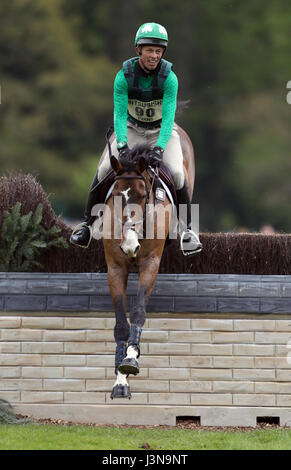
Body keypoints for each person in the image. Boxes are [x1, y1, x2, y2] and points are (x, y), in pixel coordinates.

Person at [70, 22, 202, 255]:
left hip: (160, 131)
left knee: (179, 174)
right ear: (138, 50)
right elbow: (119, 115)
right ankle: (87, 226)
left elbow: (169, 118)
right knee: (102, 170)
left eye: (158, 51)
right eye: (149, 50)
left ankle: (188, 230)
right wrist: (121, 144)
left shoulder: (169, 78)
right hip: (131, 128)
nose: (154, 55)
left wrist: (160, 148)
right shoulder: (123, 77)